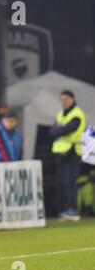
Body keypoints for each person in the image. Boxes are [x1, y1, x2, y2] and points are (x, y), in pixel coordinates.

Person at [50, 90, 86, 221]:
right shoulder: (60, 115)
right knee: (63, 182)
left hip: (72, 152)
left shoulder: (77, 114)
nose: (63, 102)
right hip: (60, 152)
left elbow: (68, 129)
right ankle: (67, 209)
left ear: (72, 99)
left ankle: (73, 210)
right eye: (62, 99)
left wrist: (60, 130)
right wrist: (60, 130)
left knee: (70, 182)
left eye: (66, 99)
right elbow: (52, 131)